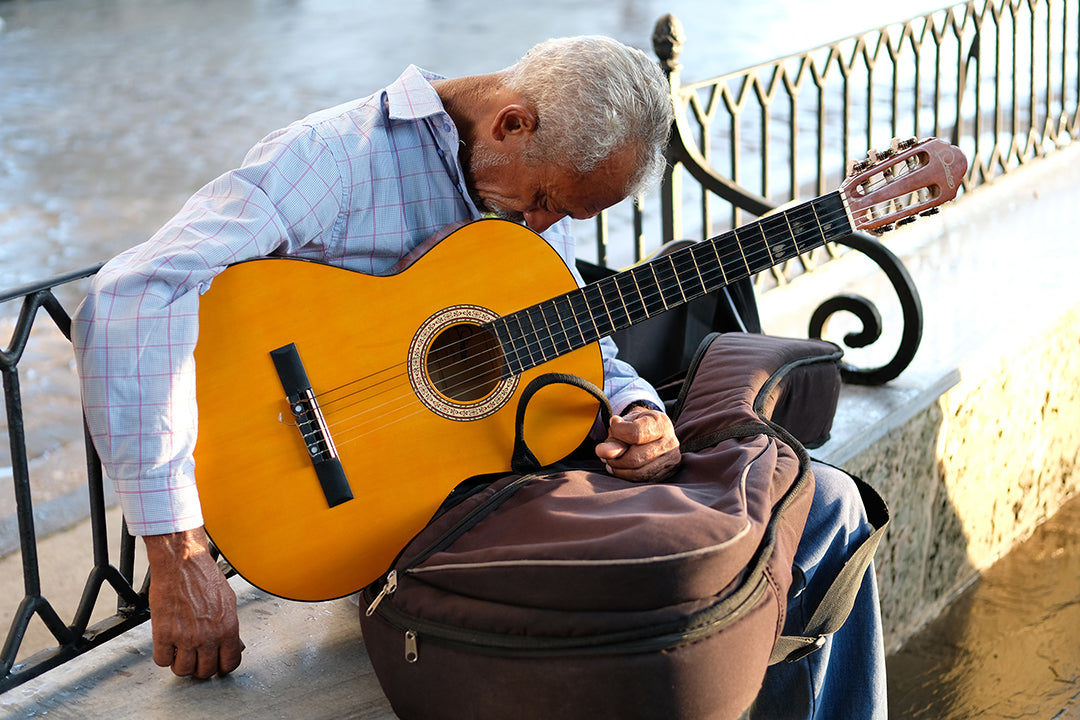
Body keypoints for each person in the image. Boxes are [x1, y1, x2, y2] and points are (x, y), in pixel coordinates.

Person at [72, 34, 885, 719]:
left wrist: (640, 410)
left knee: (828, 505)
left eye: (566, 216)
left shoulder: (524, 185)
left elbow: (573, 339)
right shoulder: (334, 158)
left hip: (501, 489)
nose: (544, 227)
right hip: (389, 526)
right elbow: (134, 292)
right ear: (511, 121)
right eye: (542, 202)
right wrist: (175, 547)